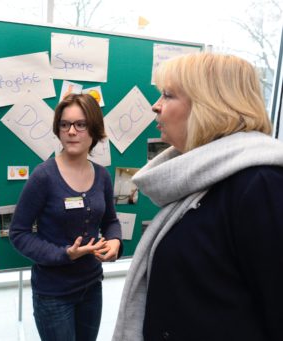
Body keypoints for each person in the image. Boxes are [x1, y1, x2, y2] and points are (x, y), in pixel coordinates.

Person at [113, 52, 283, 341]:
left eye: (168, 95)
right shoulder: (196, 177)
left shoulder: (260, 184)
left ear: (210, 106)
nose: (156, 107)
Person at [9, 93, 123, 341]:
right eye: (65, 124)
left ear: (94, 129)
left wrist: (115, 241)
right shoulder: (44, 176)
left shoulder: (102, 175)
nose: (71, 131)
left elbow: (111, 221)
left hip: (92, 286)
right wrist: (64, 255)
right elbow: (18, 234)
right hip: (53, 294)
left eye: (80, 124)